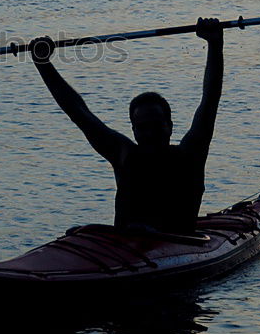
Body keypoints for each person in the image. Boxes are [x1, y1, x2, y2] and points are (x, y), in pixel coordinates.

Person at [29, 17, 223, 234]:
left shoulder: (191, 154)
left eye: (156, 125)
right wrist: (42, 63)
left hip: (180, 247)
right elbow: (78, 112)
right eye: (142, 127)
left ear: (169, 125)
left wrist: (215, 44)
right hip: (123, 247)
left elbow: (210, 99)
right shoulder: (124, 154)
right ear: (134, 130)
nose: (150, 133)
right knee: (80, 231)